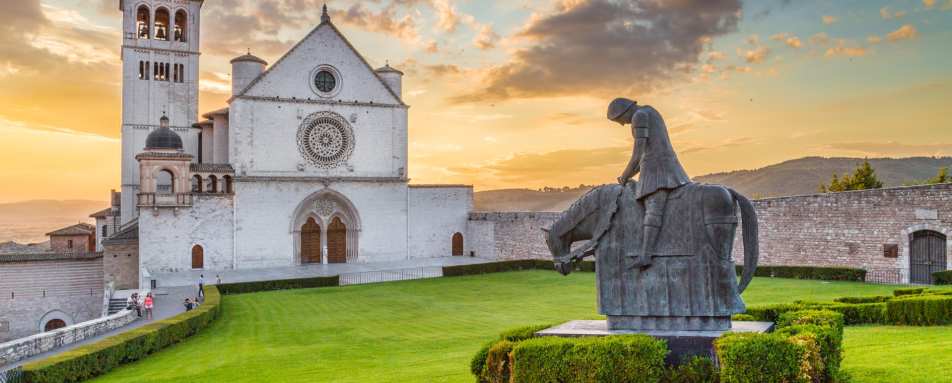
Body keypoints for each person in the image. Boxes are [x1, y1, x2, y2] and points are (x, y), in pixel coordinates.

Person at [607, 98, 691, 269]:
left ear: (624, 111)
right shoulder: (649, 111)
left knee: (653, 209)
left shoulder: (639, 116)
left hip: (659, 170)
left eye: (619, 120)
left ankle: (646, 255)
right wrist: (630, 173)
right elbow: (644, 155)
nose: (622, 124)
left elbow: (638, 154)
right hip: (658, 165)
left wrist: (624, 175)